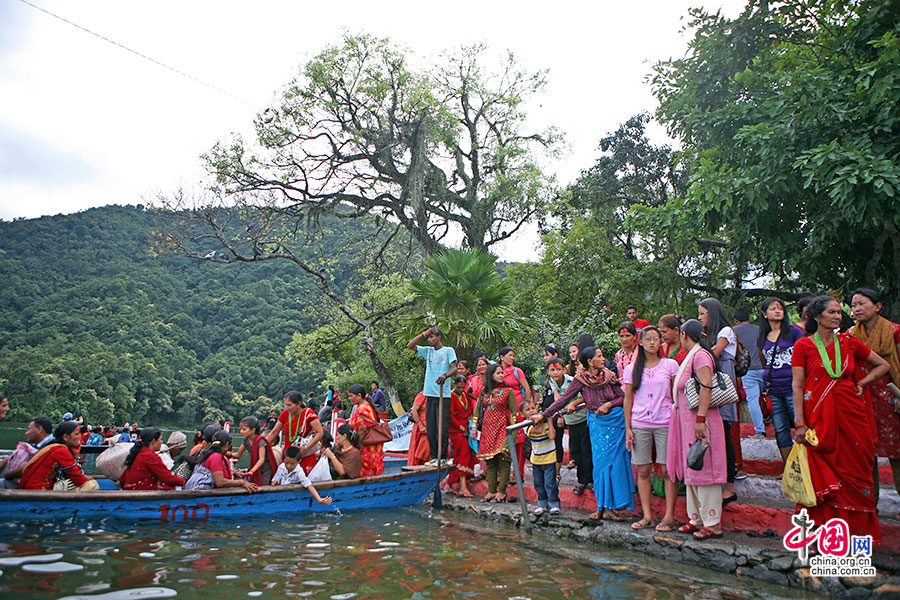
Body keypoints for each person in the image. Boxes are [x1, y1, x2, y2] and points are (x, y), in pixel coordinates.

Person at [792, 296, 889, 543]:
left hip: (851, 415)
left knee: (855, 472)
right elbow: (797, 385)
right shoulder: (804, 346)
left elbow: (882, 365)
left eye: (838, 312)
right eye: (831, 312)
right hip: (817, 418)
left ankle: (855, 537)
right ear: (816, 317)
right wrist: (800, 423)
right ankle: (816, 538)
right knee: (820, 477)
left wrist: (862, 383)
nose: (837, 316)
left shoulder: (848, 343)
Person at [537, 346, 635, 521]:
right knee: (600, 466)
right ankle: (601, 507)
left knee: (616, 465)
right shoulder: (581, 379)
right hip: (598, 425)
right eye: (599, 356)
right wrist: (543, 415)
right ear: (590, 361)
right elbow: (565, 399)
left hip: (616, 423)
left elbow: (623, 397)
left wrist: (609, 405)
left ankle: (611, 509)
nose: (603, 359)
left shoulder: (609, 376)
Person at [667, 319, 727, 539]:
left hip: (701, 422)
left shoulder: (701, 356)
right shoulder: (693, 355)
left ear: (684, 335)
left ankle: (713, 523)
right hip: (687, 422)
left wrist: (700, 419)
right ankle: (696, 518)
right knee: (693, 464)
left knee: (705, 467)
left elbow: (706, 387)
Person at [623, 326, 680, 531]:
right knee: (643, 469)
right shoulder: (631, 369)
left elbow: (677, 394)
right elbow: (628, 399)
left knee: (667, 470)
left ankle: (669, 516)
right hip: (640, 423)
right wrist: (628, 427)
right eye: (648, 339)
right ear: (641, 342)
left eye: (657, 339)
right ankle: (647, 516)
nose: (653, 343)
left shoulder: (670, 365)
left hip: (666, 422)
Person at [849, 288, 900, 506]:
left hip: (891, 399)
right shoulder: (850, 334)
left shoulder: (894, 331)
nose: (857, 309)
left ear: (878, 306)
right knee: (866, 454)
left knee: (897, 455)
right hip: (863, 397)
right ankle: (871, 504)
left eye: (862, 304)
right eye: (853, 305)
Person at [698, 298, 741, 499]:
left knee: (725, 433)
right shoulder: (709, 335)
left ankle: (729, 487)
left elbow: (714, 354)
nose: (700, 318)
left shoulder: (725, 332)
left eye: (702, 313)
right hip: (711, 382)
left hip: (722, 383)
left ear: (712, 314)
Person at [758, 297, 804, 461]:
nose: (778, 311)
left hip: (793, 388)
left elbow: (804, 356)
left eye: (780, 308)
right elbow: (765, 363)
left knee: (802, 427)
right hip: (774, 390)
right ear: (764, 314)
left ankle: (808, 467)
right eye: (773, 309)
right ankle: (789, 467)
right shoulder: (762, 337)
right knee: (780, 429)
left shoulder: (794, 332)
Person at [407, 327, 458, 464]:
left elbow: (454, 368)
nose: (429, 340)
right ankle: (434, 457)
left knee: (441, 428)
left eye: (432, 337)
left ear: (439, 337)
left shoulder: (448, 350)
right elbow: (410, 345)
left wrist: (445, 375)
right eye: (428, 338)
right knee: (431, 427)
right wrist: (424, 333)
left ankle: (442, 458)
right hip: (430, 394)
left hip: (443, 395)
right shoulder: (427, 351)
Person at [547, 358, 592, 495]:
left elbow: (584, 396)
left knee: (586, 451)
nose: (555, 372)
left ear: (564, 370)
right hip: (570, 421)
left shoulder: (572, 381)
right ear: (548, 372)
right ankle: (581, 481)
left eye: (558, 369)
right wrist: (559, 412)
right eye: (552, 370)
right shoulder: (552, 382)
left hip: (582, 418)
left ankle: (590, 481)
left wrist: (573, 404)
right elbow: (557, 398)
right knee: (576, 452)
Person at [471, 363, 515, 502]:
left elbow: (513, 412)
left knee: (504, 460)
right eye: (498, 373)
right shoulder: (484, 392)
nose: (501, 375)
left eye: (502, 373)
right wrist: (473, 427)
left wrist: (513, 430)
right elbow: (477, 411)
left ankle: (501, 492)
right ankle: (491, 491)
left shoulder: (508, 391)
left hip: (503, 428)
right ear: (491, 375)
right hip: (487, 429)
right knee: (490, 462)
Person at [19, 421, 99, 491]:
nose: (79, 437)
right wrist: (88, 478)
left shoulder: (54, 447)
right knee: (92, 484)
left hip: (35, 488)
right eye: (77, 434)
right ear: (65, 437)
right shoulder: (61, 451)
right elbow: (79, 479)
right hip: (40, 490)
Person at [266, 391, 324, 476]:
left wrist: (306, 447)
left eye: (289, 405)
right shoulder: (285, 414)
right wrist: (261, 445)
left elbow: (320, 433)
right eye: (285, 405)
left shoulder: (308, 414)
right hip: (288, 454)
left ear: (298, 404)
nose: (287, 407)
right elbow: (274, 432)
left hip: (303, 454)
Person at [184, 430, 258, 493]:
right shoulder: (216, 456)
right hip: (200, 492)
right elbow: (219, 482)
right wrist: (242, 482)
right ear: (227, 445)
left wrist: (234, 474)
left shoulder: (208, 453)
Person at [499, 346, 531, 480]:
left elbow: (527, 389)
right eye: (509, 355)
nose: (512, 358)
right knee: (502, 440)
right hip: (502, 410)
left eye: (513, 356)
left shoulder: (517, 371)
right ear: (502, 357)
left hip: (517, 409)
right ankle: (502, 474)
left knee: (518, 441)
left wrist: (527, 407)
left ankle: (518, 474)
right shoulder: (497, 371)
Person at [733, 306, 766, 438]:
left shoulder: (733, 332)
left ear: (736, 320)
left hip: (748, 370)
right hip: (764, 368)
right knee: (774, 397)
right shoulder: (759, 330)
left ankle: (760, 430)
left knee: (753, 400)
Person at [120, 427, 187, 490]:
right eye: (160, 439)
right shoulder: (150, 456)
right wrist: (183, 481)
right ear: (154, 441)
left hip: (131, 489)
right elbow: (168, 478)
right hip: (139, 491)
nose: (161, 442)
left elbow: (122, 479)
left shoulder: (138, 452)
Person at [523, 400, 560, 515]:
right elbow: (536, 430)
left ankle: (554, 504)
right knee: (538, 483)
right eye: (528, 410)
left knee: (550, 483)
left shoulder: (546, 425)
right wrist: (542, 419)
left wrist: (549, 419)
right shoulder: (526, 425)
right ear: (522, 414)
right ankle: (542, 504)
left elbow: (552, 436)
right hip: (537, 460)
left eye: (533, 408)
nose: (531, 411)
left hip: (549, 458)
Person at [0, 416, 53, 488]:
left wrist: (8, 475)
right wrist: (6, 460)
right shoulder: (37, 445)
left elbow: (30, 467)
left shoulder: (51, 446)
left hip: (24, 483)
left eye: (29, 429)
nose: (26, 433)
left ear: (39, 429)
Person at [444, 376, 475, 497]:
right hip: (456, 430)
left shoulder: (466, 395)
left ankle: (449, 484)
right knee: (464, 454)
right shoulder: (451, 396)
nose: (461, 390)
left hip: (466, 427)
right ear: (454, 385)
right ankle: (462, 487)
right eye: (459, 387)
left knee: (461, 456)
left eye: (463, 387)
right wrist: (461, 428)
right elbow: (450, 416)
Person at [347, 383, 385, 477]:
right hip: (368, 446)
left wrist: (356, 445)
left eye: (351, 396)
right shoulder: (364, 406)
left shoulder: (363, 408)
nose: (349, 398)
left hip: (366, 447)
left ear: (359, 396)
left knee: (367, 471)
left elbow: (363, 429)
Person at [234, 416, 277, 487]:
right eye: (240, 429)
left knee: (263, 487)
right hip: (255, 469)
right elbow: (238, 455)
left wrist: (252, 471)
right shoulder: (246, 440)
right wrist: (227, 454)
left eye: (244, 429)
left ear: (253, 430)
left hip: (265, 470)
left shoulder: (260, 441)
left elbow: (261, 459)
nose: (241, 432)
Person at [407, 391, 430, 466]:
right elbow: (414, 411)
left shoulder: (439, 395)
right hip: (421, 429)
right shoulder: (422, 395)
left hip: (431, 429)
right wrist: (421, 426)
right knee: (418, 455)